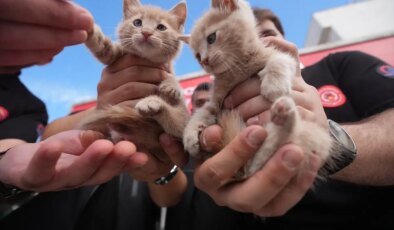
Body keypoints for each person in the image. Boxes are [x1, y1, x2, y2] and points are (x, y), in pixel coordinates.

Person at [165, 8, 394, 230]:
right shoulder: (220, 88)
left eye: (265, 35)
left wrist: (327, 133)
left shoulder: (338, 65)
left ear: (284, 37)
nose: (257, 42)